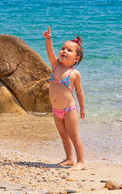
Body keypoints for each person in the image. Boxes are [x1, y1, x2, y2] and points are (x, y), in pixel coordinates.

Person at [43, 26, 86, 171]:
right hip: (56, 110)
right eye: (63, 48)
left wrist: (82, 108)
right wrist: (48, 39)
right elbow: (50, 52)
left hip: (69, 109)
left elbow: (79, 92)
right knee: (63, 135)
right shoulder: (55, 65)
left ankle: (81, 161)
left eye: (69, 50)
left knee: (73, 135)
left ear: (76, 58)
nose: (64, 51)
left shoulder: (74, 74)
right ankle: (69, 158)